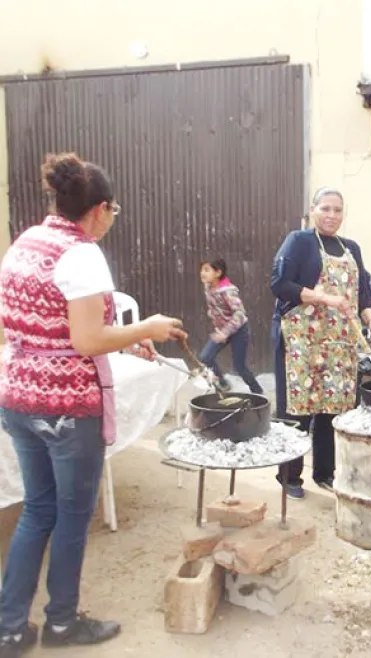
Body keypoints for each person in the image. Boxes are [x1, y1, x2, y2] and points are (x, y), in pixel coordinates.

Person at [0, 152, 187, 658]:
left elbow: (53, 326)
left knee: (37, 510)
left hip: (18, 396)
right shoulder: (81, 253)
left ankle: (10, 629)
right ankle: (61, 622)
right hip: (64, 406)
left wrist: (124, 340)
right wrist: (146, 327)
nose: (111, 220)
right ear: (99, 209)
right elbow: (84, 340)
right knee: (71, 513)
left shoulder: (27, 241)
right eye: (113, 211)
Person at [270, 187, 371, 498]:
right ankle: (289, 476)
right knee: (298, 409)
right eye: (326, 208)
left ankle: (325, 473)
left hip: (339, 341)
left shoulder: (352, 248)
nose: (332, 215)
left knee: (332, 408)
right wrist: (324, 298)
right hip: (302, 340)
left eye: (337, 210)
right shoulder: (299, 241)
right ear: (313, 209)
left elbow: (363, 292)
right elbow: (279, 284)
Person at [198, 258, 263, 394]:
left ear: (218, 272)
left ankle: (257, 392)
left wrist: (224, 333)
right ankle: (222, 383)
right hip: (222, 330)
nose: (202, 273)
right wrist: (213, 315)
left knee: (239, 366)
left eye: (206, 270)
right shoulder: (208, 287)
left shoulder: (228, 291)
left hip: (239, 330)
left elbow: (240, 314)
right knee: (205, 357)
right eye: (202, 270)